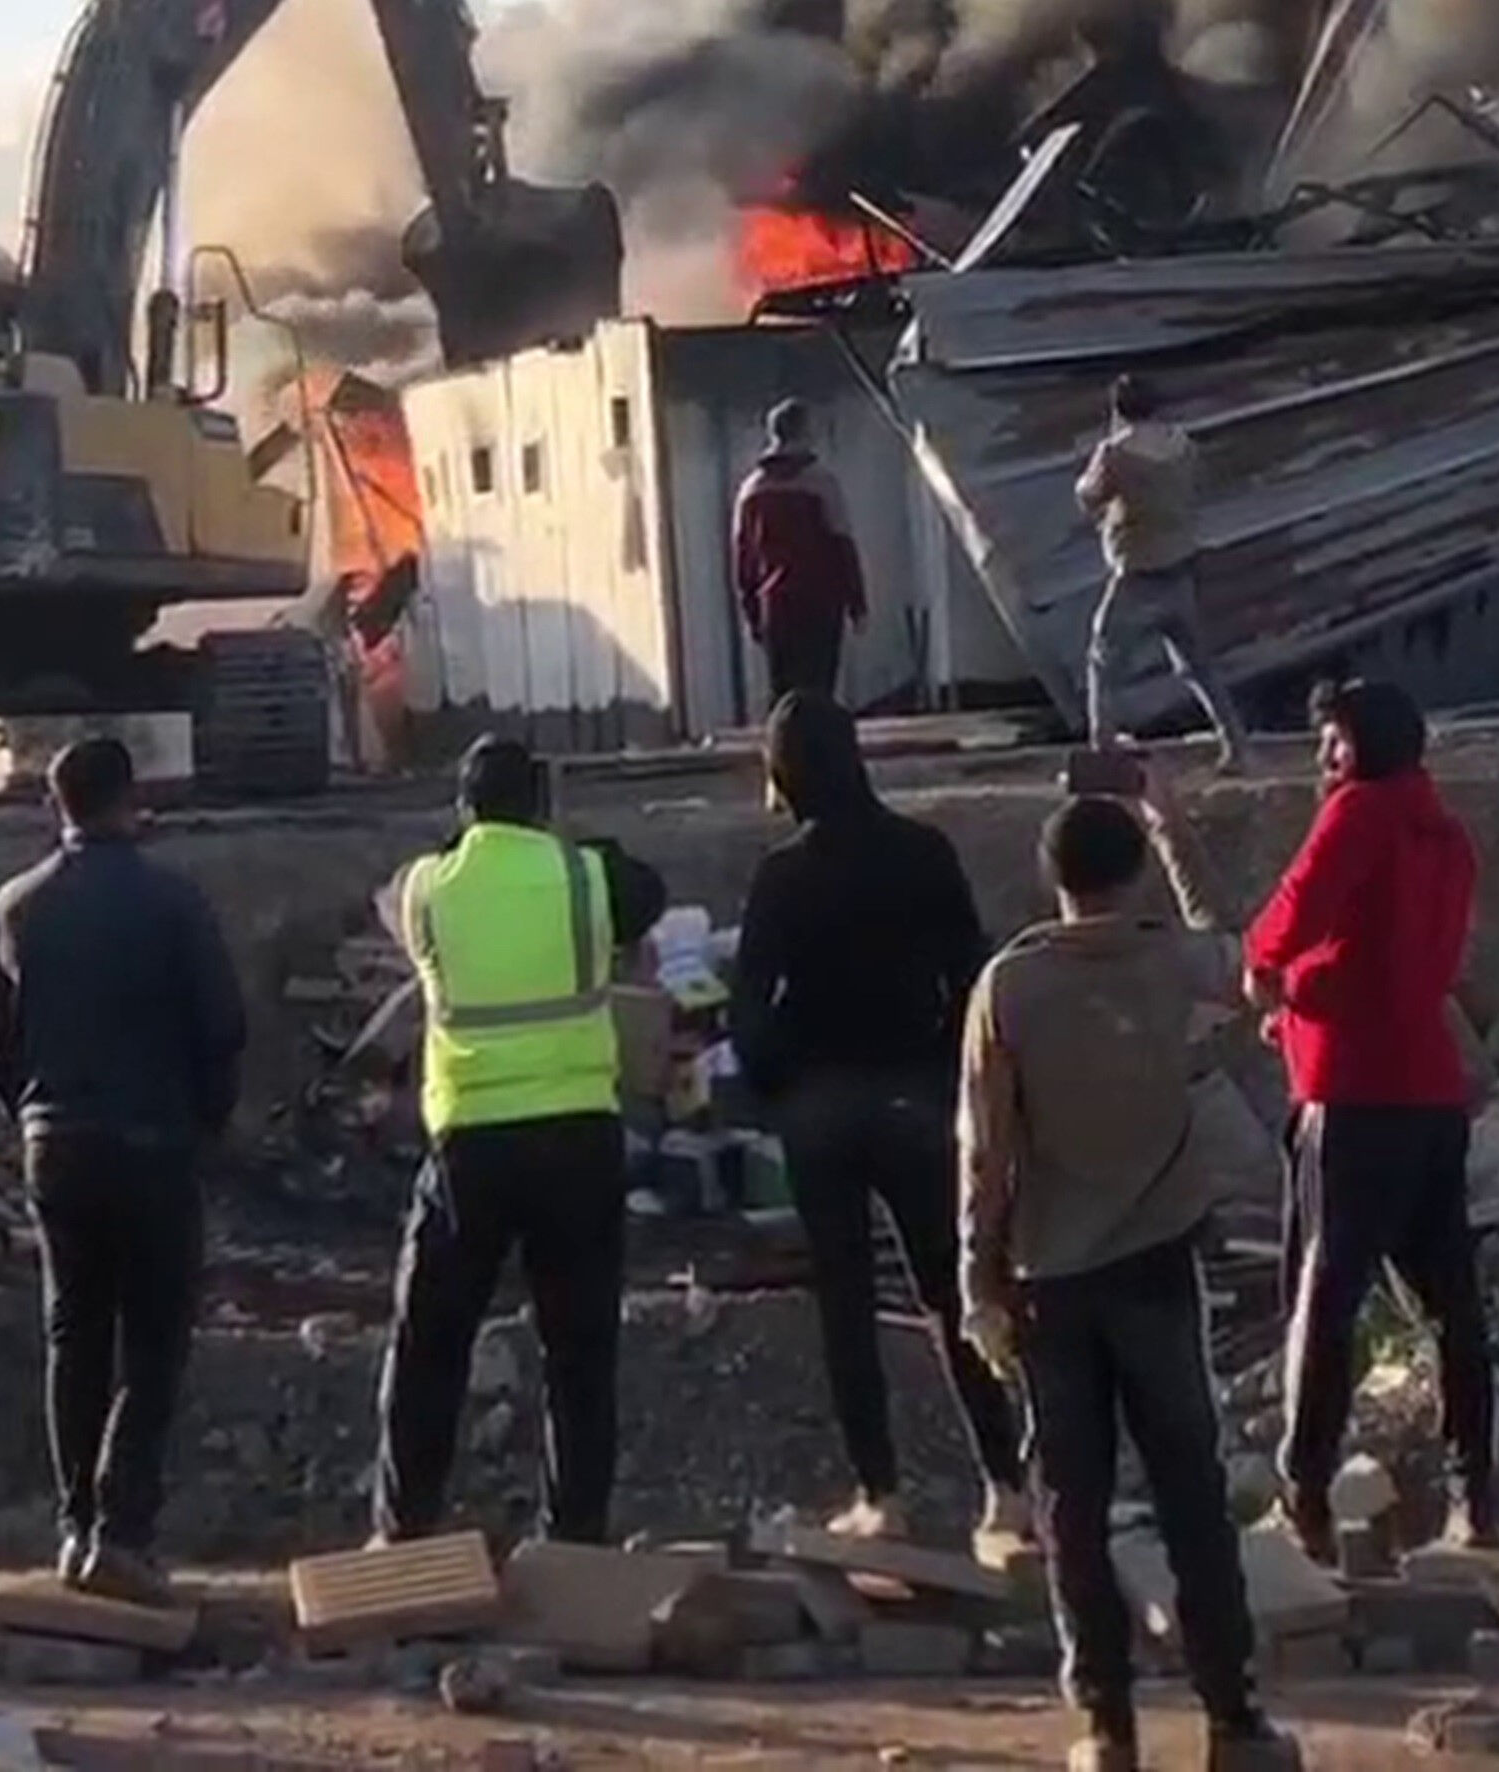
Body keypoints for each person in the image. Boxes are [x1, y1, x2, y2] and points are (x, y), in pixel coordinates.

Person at [960, 784, 1296, 1772]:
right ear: (1132, 873)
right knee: (1191, 1487)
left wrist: (977, 1281)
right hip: (1156, 1266)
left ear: (1051, 878)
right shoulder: (1164, 964)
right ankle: (1233, 1719)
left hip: (1046, 1277)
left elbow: (982, 1151)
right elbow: (1244, 959)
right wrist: (1173, 828)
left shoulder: (1008, 986)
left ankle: (1106, 1727)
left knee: (1072, 1498)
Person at [731, 689, 1030, 1553]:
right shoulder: (923, 852)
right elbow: (972, 978)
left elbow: (750, 1009)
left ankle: (880, 1494)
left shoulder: (783, 874)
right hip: (914, 1098)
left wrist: (779, 1085)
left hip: (821, 1108)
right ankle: (1005, 1488)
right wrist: (944, 1072)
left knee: (846, 1303)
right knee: (952, 1293)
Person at [0, 732, 248, 1601]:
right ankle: (124, 1533)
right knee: (153, 1343)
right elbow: (222, 1027)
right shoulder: (175, 902)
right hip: (155, 1143)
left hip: (59, 1148)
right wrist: (203, 1120)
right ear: (131, 799)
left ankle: (73, 1528)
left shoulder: (15, 906)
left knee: (73, 1334)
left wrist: (35, 1114)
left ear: (57, 806)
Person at [371, 732, 667, 1551]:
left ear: (463, 808)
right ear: (540, 804)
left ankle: (406, 1529)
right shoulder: (582, 877)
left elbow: (399, 891)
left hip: (471, 1141)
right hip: (578, 1135)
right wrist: (566, 845)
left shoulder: (427, 890)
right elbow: (648, 889)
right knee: (578, 1350)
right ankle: (574, 1536)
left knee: (430, 1339)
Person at [1245, 675, 1497, 1559]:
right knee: (1451, 1308)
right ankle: (1479, 1495)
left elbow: (1291, 912)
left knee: (1323, 1296)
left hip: (1348, 1087)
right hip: (1429, 1090)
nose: (1322, 759)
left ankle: (1303, 1491)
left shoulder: (1358, 816)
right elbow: (1401, 960)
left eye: (1332, 743)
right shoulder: (1447, 836)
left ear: (1359, 750)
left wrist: (1274, 973)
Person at [1076, 374, 1245, 770]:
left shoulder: (1114, 453)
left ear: (1118, 409)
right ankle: (1236, 743)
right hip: (1180, 567)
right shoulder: (1182, 445)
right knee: (1198, 665)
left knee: (1103, 658)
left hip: (1135, 573)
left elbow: (1089, 497)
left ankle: (1104, 745)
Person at [731, 398, 868, 707]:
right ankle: (820, 750)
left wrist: (751, 613)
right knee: (820, 690)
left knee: (784, 695)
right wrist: (857, 604)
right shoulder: (822, 483)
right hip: (821, 601)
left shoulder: (751, 490)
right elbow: (842, 545)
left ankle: (784, 751)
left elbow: (743, 561)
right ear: (804, 432)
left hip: (776, 605)